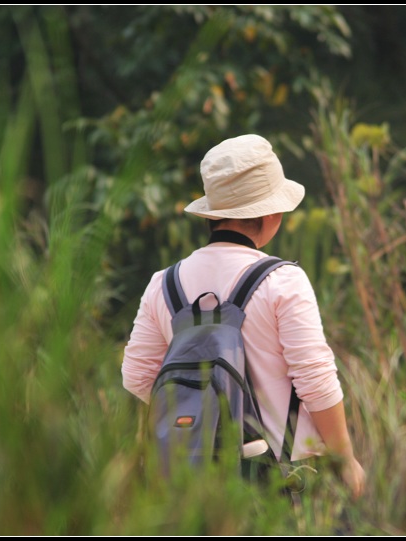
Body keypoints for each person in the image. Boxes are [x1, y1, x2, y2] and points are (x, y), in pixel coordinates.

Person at [121, 134, 365, 499]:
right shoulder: (283, 280)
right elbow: (315, 378)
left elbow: (138, 376)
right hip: (281, 483)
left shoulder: (163, 284)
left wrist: (202, 425)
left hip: (192, 485)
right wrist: (345, 458)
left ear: (212, 214)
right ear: (270, 214)